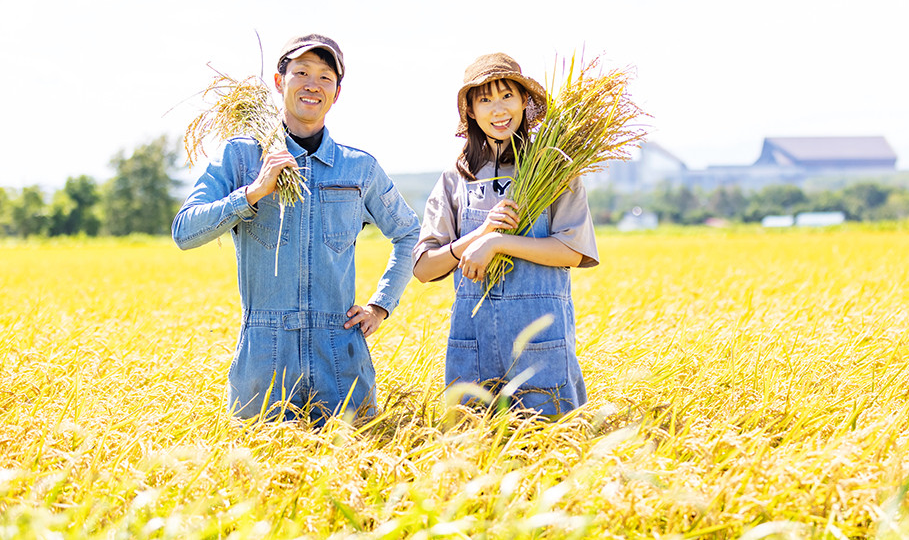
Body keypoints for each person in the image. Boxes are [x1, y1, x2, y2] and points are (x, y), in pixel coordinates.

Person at [172, 34, 420, 425]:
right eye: (301, 72)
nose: (312, 84)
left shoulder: (359, 168)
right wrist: (252, 193)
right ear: (278, 81)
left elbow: (410, 234)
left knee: (348, 477)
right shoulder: (241, 155)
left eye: (325, 77)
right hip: (264, 358)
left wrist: (380, 305)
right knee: (257, 481)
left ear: (336, 93)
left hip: (340, 357)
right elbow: (185, 231)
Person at [412, 52, 598, 416]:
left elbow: (572, 252)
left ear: (524, 102)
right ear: (470, 112)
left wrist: (498, 243)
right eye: (485, 99)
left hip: (541, 346)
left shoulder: (555, 167)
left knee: (552, 453)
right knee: (475, 455)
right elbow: (423, 268)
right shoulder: (456, 177)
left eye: (507, 96)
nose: (498, 110)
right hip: (474, 350)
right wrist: (478, 236)